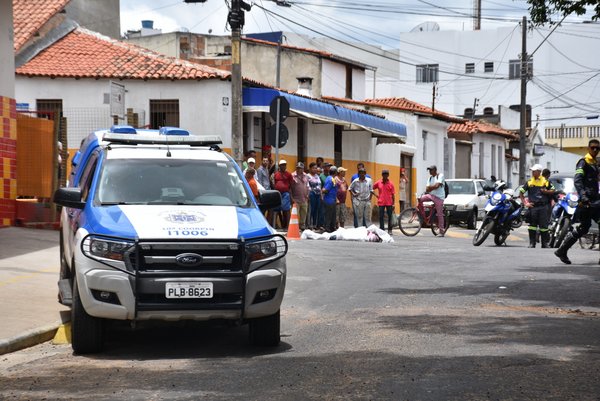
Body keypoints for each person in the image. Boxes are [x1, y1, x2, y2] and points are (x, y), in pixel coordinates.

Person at [555, 139, 600, 264]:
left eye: (597, 148)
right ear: (588, 148)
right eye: (593, 148)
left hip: (595, 202)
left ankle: (561, 251)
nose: (595, 150)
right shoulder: (583, 162)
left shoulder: (595, 164)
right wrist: (583, 196)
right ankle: (562, 250)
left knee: (584, 228)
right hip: (586, 202)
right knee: (583, 229)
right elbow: (578, 181)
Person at [519, 164, 555, 248]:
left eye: (534, 171)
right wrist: (525, 203)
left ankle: (544, 244)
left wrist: (545, 192)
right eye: (532, 171)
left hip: (543, 207)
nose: (532, 172)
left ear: (539, 172)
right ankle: (532, 243)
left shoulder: (546, 181)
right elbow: (521, 193)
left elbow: (553, 190)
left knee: (544, 226)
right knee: (532, 226)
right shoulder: (529, 182)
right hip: (533, 207)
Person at [419, 165, 446, 236]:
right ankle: (425, 218)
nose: (430, 171)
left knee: (440, 214)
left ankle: (441, 231)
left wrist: (431, 188)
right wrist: (432, 187)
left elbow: (437, 186)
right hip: (431, 195)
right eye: (429, 170)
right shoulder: (430, 178)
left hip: (439, 197)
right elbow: (427, 189)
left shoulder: (440, 176)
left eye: (431, 170)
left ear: (435, 170)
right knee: (420, 199)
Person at [372, 169, 396, 234]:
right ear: (382, 175)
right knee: (381, 216)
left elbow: (393, 194)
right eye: (384, 174)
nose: (385, 176)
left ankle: (390, 230)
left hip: (389, 202)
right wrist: (376, 195)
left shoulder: (391, 184)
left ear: (388, 175)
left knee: (390, 217)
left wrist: (393, 204)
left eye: (386, 174)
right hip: (381, 202)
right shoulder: (378, 182)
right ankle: (382, 230)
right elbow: (372, 189)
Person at [273, 160, 293, 229]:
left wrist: (291, 196)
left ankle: (288, 226)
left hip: (285, 194)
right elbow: (274, 183)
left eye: (284, 165)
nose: (283, 166)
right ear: (279, 166)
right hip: (277, 194)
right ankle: (274, 225)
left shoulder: (289, 174)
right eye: (282, 165)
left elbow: (291, 186)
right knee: (276, 209)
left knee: (286, 209)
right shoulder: (276, 174)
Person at [290, 162, 310, 231]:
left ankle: (302, 226)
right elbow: (290, 188)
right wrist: (291, 198)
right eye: (298, 168)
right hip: (295, 199)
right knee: (295, 214)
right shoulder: (292, 175)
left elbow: (307, 186)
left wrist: (308, 194)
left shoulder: (306, 176)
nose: (299, 170)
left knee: (304, 213)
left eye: (301, 168)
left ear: (303, 169)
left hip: (304, 198)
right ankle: (295, 227)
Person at [322, 166, 338, 232]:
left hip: (330, 200)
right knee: (329, 215)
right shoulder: (332, 179)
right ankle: (327, 228)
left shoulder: (328, 178)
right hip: (330, 200)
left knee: (332, 215)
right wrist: (323, 190)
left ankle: (331, 228)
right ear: (336, 172)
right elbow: (326, 190)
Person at [307, 162, 323, 230]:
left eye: (316, 168)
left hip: (318, 194)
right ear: (310, 168)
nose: (315, 169)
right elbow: (307, 186)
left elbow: (320, 185)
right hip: (311, 194)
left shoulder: (317, 176)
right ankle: (309, 225)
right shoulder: (307, 176)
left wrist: (321, 195)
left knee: (317, 210)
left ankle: (315, 224)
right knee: (311, 210)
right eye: (314, 168)